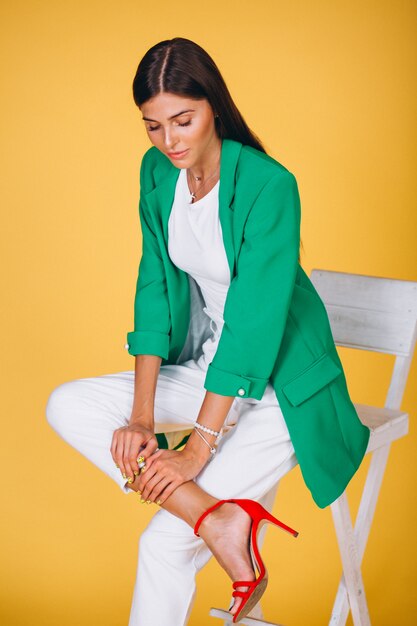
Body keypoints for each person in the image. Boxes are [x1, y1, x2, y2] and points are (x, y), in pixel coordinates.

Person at [46, 37, 371, 626]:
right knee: (66, 405)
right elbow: (153, 293)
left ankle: (209, 518)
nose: (169, 141)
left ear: (212, 107)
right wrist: (142, 417)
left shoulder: (270, 186)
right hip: (207, 369)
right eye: (152, 126)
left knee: (160, 546)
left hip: (278, 390)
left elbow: (253, 325)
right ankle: (216, 517)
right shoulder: (158, 175)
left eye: (182, 120)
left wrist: (198, 447)